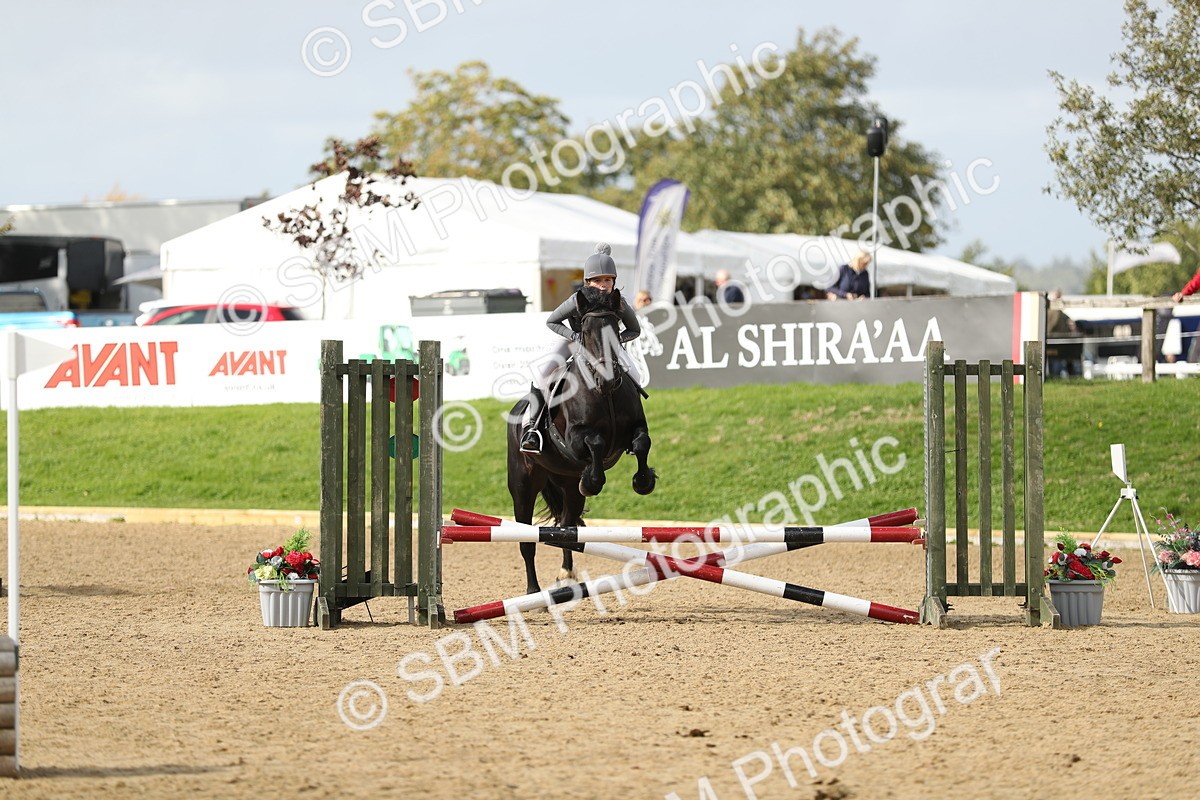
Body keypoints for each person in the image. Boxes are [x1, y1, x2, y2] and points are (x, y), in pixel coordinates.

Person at [519, 243, 642, 453]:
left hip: (606, 347)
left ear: (614, 281)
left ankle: (631, 430)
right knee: (543, 376)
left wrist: (616, 340)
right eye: (597, 280)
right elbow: (552, 321)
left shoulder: (619, 302)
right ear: (587, 282)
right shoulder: (576, 300)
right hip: (573, 341)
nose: (603, 285)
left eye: (607, 280)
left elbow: (635, 330)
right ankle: (532, 429)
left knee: (636, 376)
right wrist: (574, 335)